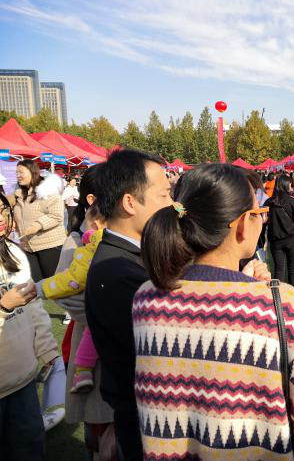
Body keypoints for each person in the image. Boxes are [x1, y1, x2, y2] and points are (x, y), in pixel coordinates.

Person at [133, 164, 294, 460]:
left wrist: (245, 286)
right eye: (258, 213)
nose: (262, 220)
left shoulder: (146, 299)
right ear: (242, 225)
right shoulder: (277, 304)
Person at [85, 149, 173, 461]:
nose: (172, 204)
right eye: (164, 195)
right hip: (146, 426)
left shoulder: (131, 255)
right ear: (130, 203)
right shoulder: (117, 273)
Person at [50, 164, 116, 460]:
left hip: (116, 356)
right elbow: (66, 295)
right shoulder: (76, 242)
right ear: (92, 200)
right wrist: (112, 318)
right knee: (103, 439)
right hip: (93, 356)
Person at [0, 193, 56, 461]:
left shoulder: (13, 253)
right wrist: (4, 307)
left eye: (2, 210)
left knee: (29, 448)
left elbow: (33, 307)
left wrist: (48, 349)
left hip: (23, 379)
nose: (1, 218)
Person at [38, 204, 106, 394]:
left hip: (93, 323)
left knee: (89, 338)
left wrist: (41, 288)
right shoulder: (80, 242)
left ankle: (83, 372)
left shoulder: (90, 244)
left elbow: (69, 281)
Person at [13, 160, 66, 281]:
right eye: (16, 173)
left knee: (54, 282)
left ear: (33, 171)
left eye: (21, 172)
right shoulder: (19, 194)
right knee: (38, 283)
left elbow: (57, 215)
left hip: (50, 245)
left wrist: (38, 225)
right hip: (28, 246)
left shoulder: (47, 190)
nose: (18, 175)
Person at [265, 174, 294, 286]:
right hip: (291, 239)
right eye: (290, 184)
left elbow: (264, 221)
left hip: (275, 240)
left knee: (278, 269)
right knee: (292, 268)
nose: (292, 186)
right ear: (286, 185)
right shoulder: (292, 201)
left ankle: (277, 294)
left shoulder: (269, 202)